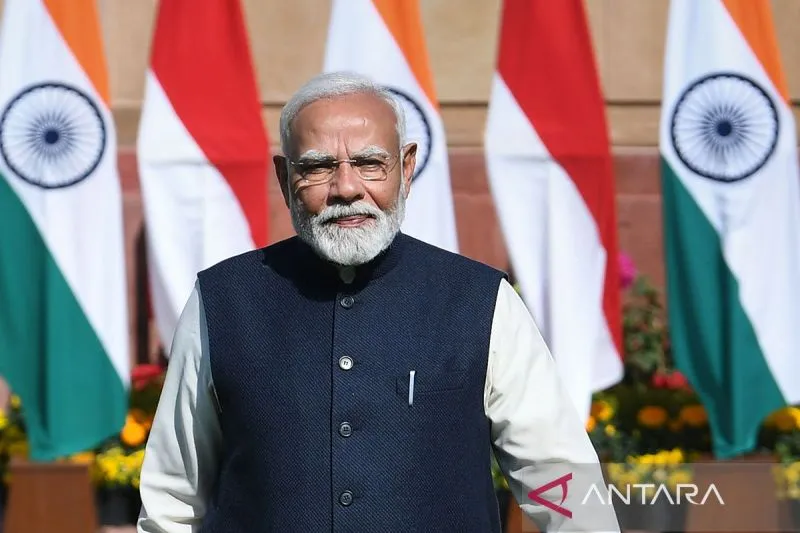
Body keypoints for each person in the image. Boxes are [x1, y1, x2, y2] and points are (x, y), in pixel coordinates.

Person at [137, 71, 618, 533]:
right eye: (318, 167)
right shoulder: (223, 301)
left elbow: (559, 477)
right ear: (285, 178)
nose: (346, 189)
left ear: (406, 169)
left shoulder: (481, 301)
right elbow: (173, 501)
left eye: (369, 163)